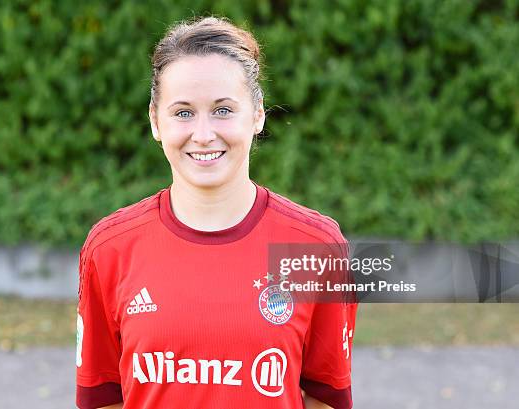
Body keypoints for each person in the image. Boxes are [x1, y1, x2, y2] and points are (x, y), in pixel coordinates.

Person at [75, 16, 357, 409]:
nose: (204, 134)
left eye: (223, 110)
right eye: (184, 113)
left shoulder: (316, 247)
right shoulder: (109, 249)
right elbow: (102, 399)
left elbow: (325, 399)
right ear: (156, 120)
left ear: (257, 114)